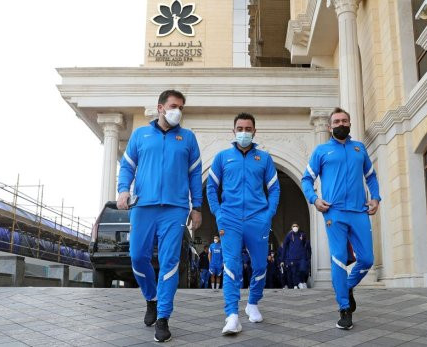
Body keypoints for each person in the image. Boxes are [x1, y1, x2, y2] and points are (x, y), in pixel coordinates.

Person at [116, 89, 203, 342]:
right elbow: (127, 167)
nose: (178, 111)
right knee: (137, 257)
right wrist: (123, 190)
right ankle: (151, 298)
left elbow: (195, 175)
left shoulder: (187, 138)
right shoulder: (140, 135)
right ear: (160, 107)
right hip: (143, 207)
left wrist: (196, 206)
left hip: (175, 209)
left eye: (181, 107)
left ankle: (163, 317)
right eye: (174, 105)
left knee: (170, 262)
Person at [301, 107, 380, 330]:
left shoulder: (359, 149)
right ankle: (344, 308)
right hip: (333, 213)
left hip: (359, 212)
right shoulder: (321, 151)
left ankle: (347, 286)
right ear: (329, 126)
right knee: (338, 258)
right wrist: (314, 199)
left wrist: (376, 198)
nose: (340, 124)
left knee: (366, 260)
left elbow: (371, 177)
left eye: (344, 120)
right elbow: (307, 179)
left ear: (350, 123)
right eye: (336, 121)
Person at [206, 112, 280, 335]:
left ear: (254, 132)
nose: (244, 132)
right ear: (234, 131)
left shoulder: (264, 159)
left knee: (260, 265)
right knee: (231, 265)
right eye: (240, 128)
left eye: (248, 129)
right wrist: (218, 213)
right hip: (230, 219)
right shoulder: (222, 157)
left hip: (258, 219)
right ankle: (232, 315)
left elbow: (274, 188)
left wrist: (268, 215)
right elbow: (211, 187)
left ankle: (253, 303)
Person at [281, 222, 310, 289]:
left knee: (303, 269)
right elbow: (285, 246)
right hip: (292, 257)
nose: (295, 227)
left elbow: (306, 243)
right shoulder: (289, 235)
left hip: (301, 256)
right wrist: (283, 259)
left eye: (296, 226)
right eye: (293, 226)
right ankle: (296, 285)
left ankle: (301, 281)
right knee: (294, 272)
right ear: (291, 227)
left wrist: (307, 256)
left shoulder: (302, 234)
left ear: (298, 227)